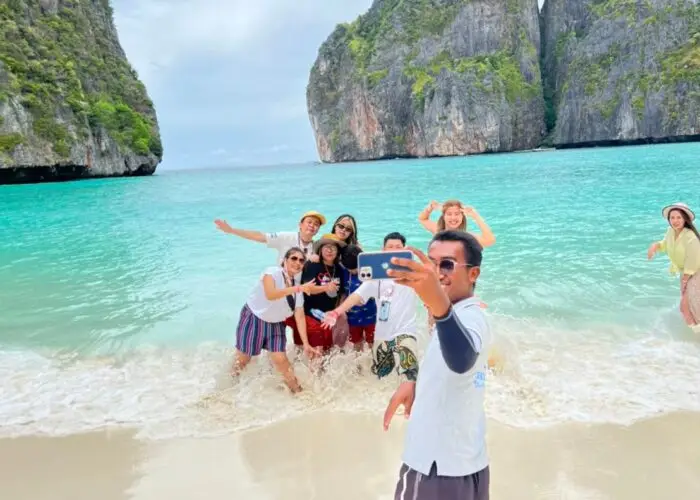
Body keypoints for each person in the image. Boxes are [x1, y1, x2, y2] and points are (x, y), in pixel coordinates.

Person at [383, 230, 492, 500]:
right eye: (431, 263)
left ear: (473, 274)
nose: (436, 272)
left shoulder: (468, 317)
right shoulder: (459, 315)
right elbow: (454, 368)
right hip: (466, 462)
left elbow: (462, 359)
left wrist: (439, 307)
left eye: (447, 264)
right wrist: (415, 383)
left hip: (434, 467)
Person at [322, 233, 420, 383]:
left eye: (398, 248)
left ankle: (412, 404)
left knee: (410, 376)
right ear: (383, 250)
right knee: (382, 378)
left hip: (405, 332)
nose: (393, 251)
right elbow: (356, 296)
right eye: (390, 247)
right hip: (382, 335)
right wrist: (336, 312)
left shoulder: (415, 274)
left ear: (405, 250)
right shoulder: (376, 277)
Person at [231, 247, 321, 393]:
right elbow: (271, 294)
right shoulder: (272, 272)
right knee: (243, 360)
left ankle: (298, 393)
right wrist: (299, 289)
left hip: (276, 324)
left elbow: (299, 315)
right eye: (293, 258)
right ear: (284, 260)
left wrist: (306, 344)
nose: (297, 262)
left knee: (281, 361)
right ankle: (228, 387)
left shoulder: (297, 288)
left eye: (301, 260)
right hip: (254, 318)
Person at [647, 202, 700, 332]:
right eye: (672, 218)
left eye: (679, 217)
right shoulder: (671, 231)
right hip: (686, 273)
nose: (675, 221)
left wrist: (685, 279)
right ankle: (697, 334)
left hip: (695, 273)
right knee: (688, 308)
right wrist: (655, 246)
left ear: (685, 219)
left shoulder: (690, 237)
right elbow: (665, 244)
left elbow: (693, 259)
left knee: (688, 307)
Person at [293, 233, 346, 353]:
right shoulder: (312, 265)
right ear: (320, 250)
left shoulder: (339, 269)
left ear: (338, 251)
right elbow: (307, 289)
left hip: (328, 316)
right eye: (326, 247)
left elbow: (341, 293)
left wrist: (336, 312)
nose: (329, 250)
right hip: (311, 314)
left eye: (333, 247)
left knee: (328, 351)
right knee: (317, 351)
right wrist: (326, 287)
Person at [214, 210, 326, 264]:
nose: (312, 226)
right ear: (300, 225)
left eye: (316, 224)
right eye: (309, 222)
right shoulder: (286, 237)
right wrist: (232, 230)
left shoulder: (316, 247)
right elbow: (260, 236)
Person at [337, 244, 377, 352]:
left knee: (372, 342)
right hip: (353, 317)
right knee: (356, 343)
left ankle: (374, 363)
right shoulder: (344, 271)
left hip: (371, 314)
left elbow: (379, 290)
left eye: (355, 269)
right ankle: (358, 367)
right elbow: (343, 293)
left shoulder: (370, 270)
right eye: (350, 269)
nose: (353, 271)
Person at [418, 199, 495, 248]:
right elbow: (423, 219)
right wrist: (429, 208)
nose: (453, 218)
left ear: (462, 216)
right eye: (449, 214)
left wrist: (476, 216)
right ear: (443, 216)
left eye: (457, 214)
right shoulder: (437, 230)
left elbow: (489, 240)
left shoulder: (467, 237)